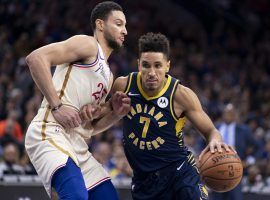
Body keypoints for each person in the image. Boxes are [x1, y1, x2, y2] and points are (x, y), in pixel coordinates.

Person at [24, 1, 130, 200]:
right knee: (75, 197)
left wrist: (115, 114)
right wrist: (57, 106)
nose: (124, 31)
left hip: (77, 143)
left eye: (125, 26)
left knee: (108, 197)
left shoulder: (109, 76)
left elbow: (90, 129)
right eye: (118, 24)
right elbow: (36, 58)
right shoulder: (88, 44)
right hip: (50, 130)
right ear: (100, 24)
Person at [111, 32, 234, 200]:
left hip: (180, 174)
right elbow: (102, 115)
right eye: (146, 65)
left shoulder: (180, 95)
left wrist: (214, 141)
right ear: (138, 65)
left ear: (167, 66)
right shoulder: (123, 85)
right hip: (143, 181)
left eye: (158, 65)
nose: (152, 72)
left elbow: (211, 131)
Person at [210, 103, 259, 200]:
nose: (228, 115)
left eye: (230, 113)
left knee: (236, 197)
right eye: (226, 113)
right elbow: (201, 143)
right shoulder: (215, 128)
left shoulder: (244, 130)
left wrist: (249, 161)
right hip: (217, 170)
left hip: (236, 170)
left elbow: (258, 147)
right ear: (223, 114)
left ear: (234, 115)